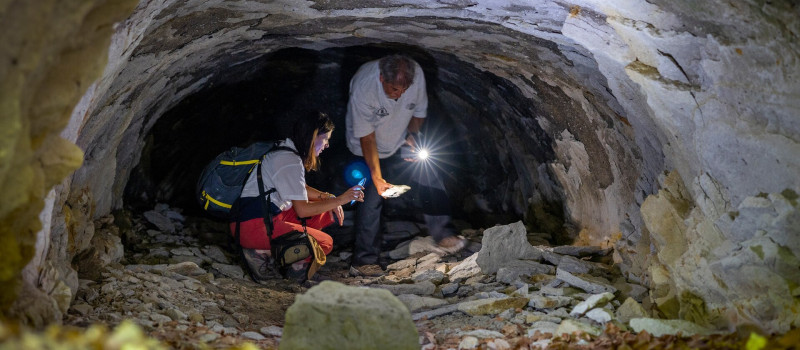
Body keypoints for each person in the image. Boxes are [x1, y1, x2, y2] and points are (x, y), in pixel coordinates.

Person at [345, 54, 466, 277]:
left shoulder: (416, 75)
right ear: (381, 78)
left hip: (398, 140)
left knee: (429, 171)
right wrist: (378, 179)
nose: (399, 95)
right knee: (371, 195)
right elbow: (367, 138)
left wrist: (412, 136)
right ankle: (363, 261)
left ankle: (443, 234)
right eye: (393, 90)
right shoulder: (364, 87)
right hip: (365, 148)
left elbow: (418, 112)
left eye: (403, 89)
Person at [230, 111, 364, 282]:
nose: (327, 145)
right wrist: (340, 199)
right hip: (254, 226)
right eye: (326, 139)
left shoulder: (286, 152)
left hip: (258, 220)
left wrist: (328, 198)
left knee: (326, 212)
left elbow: (300, 188)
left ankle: (296, 264)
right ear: (314, 135)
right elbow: (302, 211)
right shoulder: (288, 160)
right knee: (325, 243)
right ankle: (261, 253)